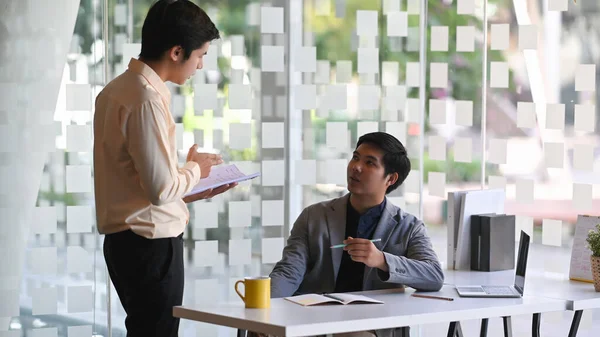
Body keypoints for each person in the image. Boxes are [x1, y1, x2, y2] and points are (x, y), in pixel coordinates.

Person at [93, 1, 234, 336]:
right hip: (150, 245)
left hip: (129, 243)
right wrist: (195, 169)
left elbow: (135, 184)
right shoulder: (146, 100)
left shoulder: (116, 91)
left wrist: (193, 188)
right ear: (176, 52)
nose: (200, 66)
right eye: (200, 55)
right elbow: (160, 190)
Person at [268, 132, 444, 337]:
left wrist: (382, 260)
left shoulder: (408, 226)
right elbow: (289, 272)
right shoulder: (313, 216)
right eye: (355, 157)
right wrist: (264, 310)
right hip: (313, 321)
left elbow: (434, 276)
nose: (356, 167)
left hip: (371, 326)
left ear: (391, 178)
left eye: (370, 163)